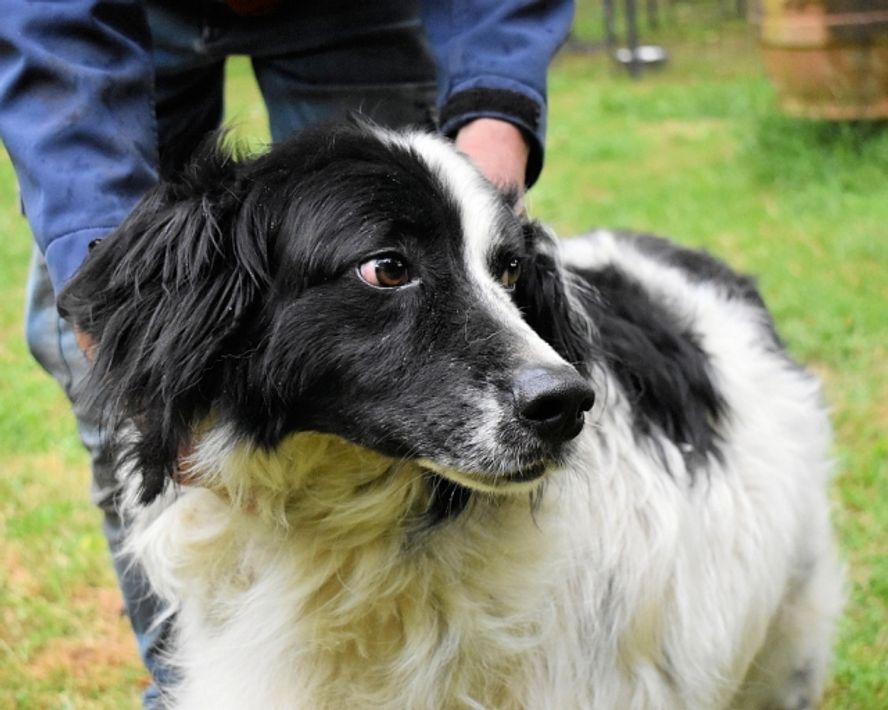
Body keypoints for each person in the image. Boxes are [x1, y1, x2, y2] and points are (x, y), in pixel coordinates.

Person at [0, 0, 573, 704]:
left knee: (413, 217)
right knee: (108, 361)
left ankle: (410, 678)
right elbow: (53, 39)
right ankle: (186, 681)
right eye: (388, 270)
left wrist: (493, 127)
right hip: (115, 16)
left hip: (355, 8)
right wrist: (125, 335)